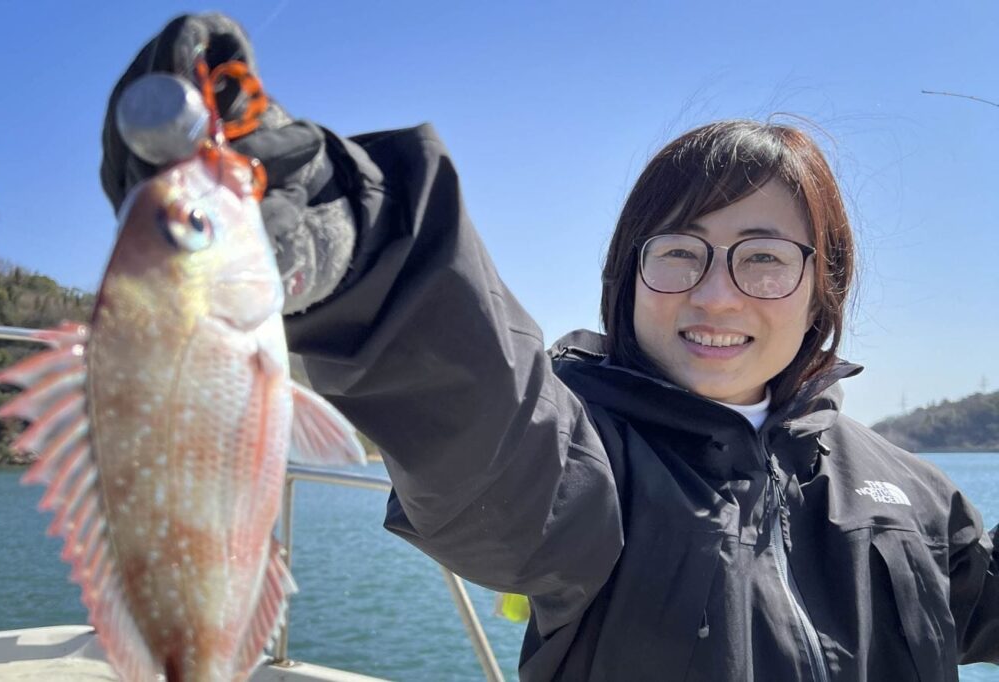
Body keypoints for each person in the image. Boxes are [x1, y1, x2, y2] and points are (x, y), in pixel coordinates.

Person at [102, 14, 999, 681]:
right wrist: (353, 233)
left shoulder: (911, 490)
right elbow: (487, 422)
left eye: (764, 258)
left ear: (821, 287)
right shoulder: (588, 454)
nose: (716, 292)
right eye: (678, 252)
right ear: (626, 280)